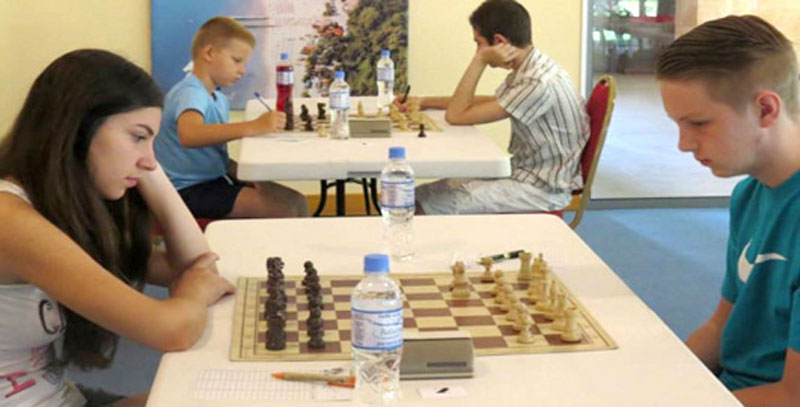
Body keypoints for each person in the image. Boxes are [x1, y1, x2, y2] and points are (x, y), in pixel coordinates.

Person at [0, 49, 235, 407]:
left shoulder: (60, 206)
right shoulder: (10, 219)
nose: (150, 159)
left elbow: (196, 266)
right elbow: (170, 330)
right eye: (138, 137)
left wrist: (151, 174)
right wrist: (195, 294)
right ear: (77, 130)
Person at [657, 15, 800, 406]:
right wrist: (659, 381)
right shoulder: (749, 195)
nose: (683, 144)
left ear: (766, 109)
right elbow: (722, 326)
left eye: (699, 123)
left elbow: (793, 396)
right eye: (678, 124)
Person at [396, 0, 589, 215]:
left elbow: (456, 115)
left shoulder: (537, 82)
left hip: (540, 189)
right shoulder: (533, 68)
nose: (477, 50)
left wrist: (480, 60)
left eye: (478, 43)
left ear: (498, 42)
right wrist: (424, 101)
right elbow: (483, 103)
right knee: (412, 195)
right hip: (521, 173)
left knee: (420, 207)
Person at [154, 16, 309, 219]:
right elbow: (189, 135)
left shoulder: (218, 98)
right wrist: (254, 126)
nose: (242, 70)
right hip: (186, 189)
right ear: (209, 53)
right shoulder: (190, 92)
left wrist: (243, 172)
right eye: (236, 61)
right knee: (285, 210)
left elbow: (210, 152)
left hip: (213, 178)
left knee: (297, 201)